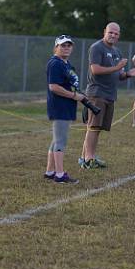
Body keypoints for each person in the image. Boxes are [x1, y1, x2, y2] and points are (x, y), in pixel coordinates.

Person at [80, 22, 135, 169]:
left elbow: (119, 75)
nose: (113, 35)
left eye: (116, 33)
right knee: (93, 127)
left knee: (97, 128)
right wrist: (117, 67)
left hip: (110, 94)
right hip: (97, 93)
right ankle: (89, 159)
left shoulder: (117, 52)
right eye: (110, 32)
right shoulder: (96, 48)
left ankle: (86, 157)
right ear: (104, 32)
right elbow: (95, 70)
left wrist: (128, 74)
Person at [45, 35, 84, 184]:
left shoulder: (65, 63)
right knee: (61, 140)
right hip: (59, 106)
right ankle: (60, 175)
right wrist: (74, 95)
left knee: (56, 140)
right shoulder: (55, 63)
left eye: (69, 45)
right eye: (63, 45)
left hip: (66, 106)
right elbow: (53, 87)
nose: (66, 48)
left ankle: (50, 171)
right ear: (56, 47)